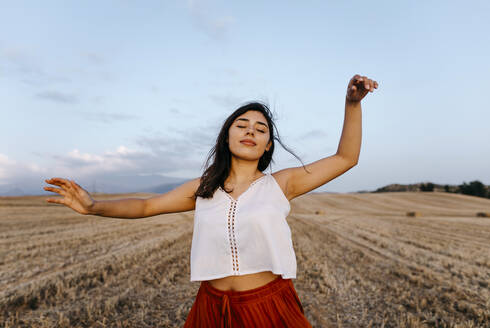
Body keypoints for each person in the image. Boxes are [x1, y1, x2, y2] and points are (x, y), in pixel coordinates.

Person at [44, 74, 378, 327]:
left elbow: (346, 157)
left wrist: (352, 105)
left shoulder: (282, 183)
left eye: (260, 129)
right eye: (241, 125)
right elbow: (148, 206)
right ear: (227, 135)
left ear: (268, 146)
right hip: (212, 308)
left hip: (267, 307)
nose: (250, 131)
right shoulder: (204, 188)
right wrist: (92, 206)